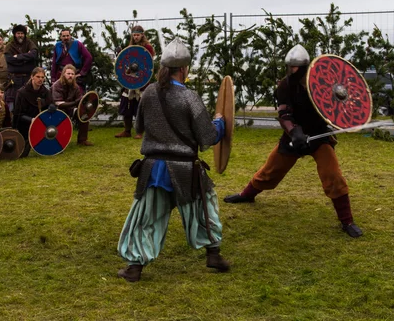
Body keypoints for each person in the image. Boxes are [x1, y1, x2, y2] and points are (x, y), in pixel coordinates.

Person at [117, 38, 229, 283]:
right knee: (204, 207)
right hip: (184, 169)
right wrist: (220, 121)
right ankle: (213, 252)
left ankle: (134, 267)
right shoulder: (189, 97)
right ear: (184, 69)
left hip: (154, 168)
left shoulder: (148, 93)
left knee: (147, 217)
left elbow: (139, 126)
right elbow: (208, 136)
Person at [223, 45, 363, 238]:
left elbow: (337, 105)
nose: (292, 71)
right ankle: (246, 195)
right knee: (270, 171)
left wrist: (342, 102)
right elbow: (284, 113)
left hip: (319, 135)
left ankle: (347, 221)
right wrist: (295, 132)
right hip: (293, 136)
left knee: (333, 175)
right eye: (290, 67)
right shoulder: (285, 85)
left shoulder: (322, 82)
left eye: (296, 67)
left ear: (306, 67)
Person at [115, 25, 155, 139]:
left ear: (142, 35)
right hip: (129, 80)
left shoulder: (148, 47)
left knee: (140, 108)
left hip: (141, 80)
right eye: (134, 35)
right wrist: (120, 56)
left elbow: (147, 64)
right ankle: (127, 130)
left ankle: (139, 132)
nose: (136, 37)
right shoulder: (130, 47)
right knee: (126, 105)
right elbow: (125, 63)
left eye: (138, 35)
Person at [12, 67, 52, 157]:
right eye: (38, 77)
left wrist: (51, 107)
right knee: (22, 154)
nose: (40, 79)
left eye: (42, 77)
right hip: (25, 125)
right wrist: (31, 120)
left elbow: (50, 105)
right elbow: (18, 114)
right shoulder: (22, 93)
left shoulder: (45, 92)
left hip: (42, 124)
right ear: (32, 77)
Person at [51, 64, 93, 146]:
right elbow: (58, 103)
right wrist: (75, 103)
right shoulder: (57, 85)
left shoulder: (75, 87)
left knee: (84, 114)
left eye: (72, 74)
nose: (70, 76)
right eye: (68, 74)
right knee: (61, 113)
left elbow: (80, 101)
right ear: (63, 74)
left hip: (70, 109)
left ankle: (82, 140)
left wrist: (84, 103)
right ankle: (60, 142)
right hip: (56, 110)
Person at [5, 25, 38, 113]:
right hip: (15, 79)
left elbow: (34, 54)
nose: (20, 35)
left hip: (28, 78)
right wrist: (26, 58)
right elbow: (9, 59)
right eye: (18, 33)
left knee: (29, 100)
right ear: (15, 34)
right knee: (15, 101)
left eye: (22, 33)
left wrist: (18, 57)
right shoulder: (10, 45)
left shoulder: (29, 43)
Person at [51, 28, 93, 93]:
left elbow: (88, 57)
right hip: (61, 75)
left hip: (74, 74)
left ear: (70, 36)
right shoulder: (58, 45)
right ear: (61, 37)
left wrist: (82, 72)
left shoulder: (77, 44)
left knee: (78, 93)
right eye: (64, 36)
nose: (66, 37)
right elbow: (54, 63)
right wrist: (53, 78)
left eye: (67, 36)